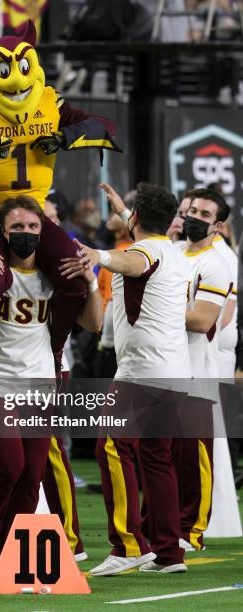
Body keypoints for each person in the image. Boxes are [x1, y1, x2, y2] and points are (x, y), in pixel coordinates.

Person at [0, 19, 120, 376]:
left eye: (21, 66)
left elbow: (102, 126)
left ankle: (56, 349)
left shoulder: (50, 100)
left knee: (75, 277)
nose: (15, 79)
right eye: (4, 68)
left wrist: (67, 136)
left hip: (33, 212)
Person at [0, 195, 102, 578]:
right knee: (8, 465)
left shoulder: (54, 277)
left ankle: (7, 547)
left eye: (33, 227)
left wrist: (92, 283)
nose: (26, 234)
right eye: (17, 227)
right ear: (3, 230)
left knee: (32, 475)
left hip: (38, 381)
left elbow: (95, 325)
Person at [61, 181, 192, 575]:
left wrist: (96, 253)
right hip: (173, 372)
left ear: (136, 220)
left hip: (142, 372)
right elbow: (144, 243)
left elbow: (132, 262)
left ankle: (127, 545)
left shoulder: (143, 252)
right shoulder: (171, 247)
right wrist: (122, 211)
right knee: (157, 460)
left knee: (111, 449)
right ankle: (169, 554)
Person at [176, 188, 232, 551]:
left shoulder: (217, 263)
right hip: (164, 365)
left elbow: (204, 321)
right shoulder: (173, 252)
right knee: (162, 455)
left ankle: (191, 531)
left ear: (218, 226)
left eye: (204, 213)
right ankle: (163, 528)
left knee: (195, 456)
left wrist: (159, 311)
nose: (194, 216)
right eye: (192, 209)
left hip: (197, 367)